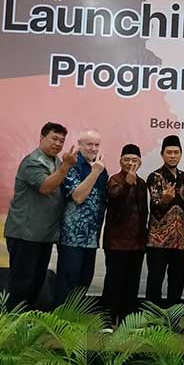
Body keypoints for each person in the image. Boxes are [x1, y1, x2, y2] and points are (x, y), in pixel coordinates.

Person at [4, 122, 77, 310]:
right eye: (54, 139)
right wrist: (66, 167)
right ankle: (11, 322)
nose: (58, 144)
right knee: (21, 285)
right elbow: (45, 187)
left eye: (62, 141)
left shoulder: (56, 161)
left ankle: (26, 320)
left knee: (35, 284)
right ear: (42, 138)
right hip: (25, 234)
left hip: (44, 235)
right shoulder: (33, 161)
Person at [54, 129, 108, 306]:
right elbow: (78, 197)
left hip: (91, 238)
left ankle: (75, 317)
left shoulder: (99, 166)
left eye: (97, 145)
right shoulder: (72, 165)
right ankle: (60, 319)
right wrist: (95, 173)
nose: (93, 148)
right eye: (89, 144)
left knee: (84, 283)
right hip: (72, 238)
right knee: (67, 284)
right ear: (79, 144)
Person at [102, 144, 148, 325]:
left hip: (137, 243)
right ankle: (108, 319)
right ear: (120, 161)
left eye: (134, 160)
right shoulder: (115, 179)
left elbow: (143, 213)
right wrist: (127, 184)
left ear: (140, 162)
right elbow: (113, 198)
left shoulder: (142, 183)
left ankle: (127, 319)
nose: (130, 163)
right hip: (116, 242)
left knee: (132, 283)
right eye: (127, 160)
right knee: (114, 281)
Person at [146, 135, 184, 307]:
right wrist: (164, 200)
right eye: (169, 152)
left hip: (180, 241)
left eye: (176, 152)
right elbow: (155, 209)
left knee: (177, 283)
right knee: (155, 281)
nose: (172, 156)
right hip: (157, 241)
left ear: (181, 154)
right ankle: (152, 318)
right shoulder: (155, 177)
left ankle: (173, 319)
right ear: (162, 154)